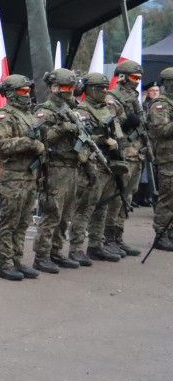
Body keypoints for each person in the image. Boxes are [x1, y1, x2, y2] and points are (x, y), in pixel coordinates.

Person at [0, 74, 43, 281]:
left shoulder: (29, 115)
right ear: (10, 93)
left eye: (28, 91)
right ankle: (4, 263)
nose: (27, 95)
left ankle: (18, 260)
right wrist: (30, 143)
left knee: (24, 222)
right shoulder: (2, 116)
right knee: (9, 222)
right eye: (22, 91)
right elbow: (2, 146)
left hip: (30, 175)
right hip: (13, 177)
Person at [68, 73, 127, 265]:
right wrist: (102, 139)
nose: (105, 91)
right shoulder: (83, 111)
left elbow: (117, 134)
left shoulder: (106, 109)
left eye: (105, 87)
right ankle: (76, 248)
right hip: (92, 165)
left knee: (103, 206)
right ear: (90, 89)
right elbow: (80, 137)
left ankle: (96, 244)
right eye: (101, 88)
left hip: (109, 164)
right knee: (85, 208)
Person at [29, 69, 85, 273]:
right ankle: (41, 256)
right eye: (65, 88)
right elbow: (40, 137)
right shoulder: (45, 111)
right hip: (55, 168)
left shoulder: (71, 109)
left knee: (66, 215)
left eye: (71, 88)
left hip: (72, 166)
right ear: (53, 88)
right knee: (52, 214)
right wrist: (62, 129)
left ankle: (56, 251)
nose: (69, 92)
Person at [102, 60, 145, 256]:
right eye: (134, 78)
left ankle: (118, 237)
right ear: (123, 77)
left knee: (126, 198)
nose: (136, 82)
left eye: (139, 78)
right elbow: (108, 124)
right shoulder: (113, 97)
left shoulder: (134, 98)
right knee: (115, 198)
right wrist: (127, 119)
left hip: (136, 154)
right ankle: (107, 238)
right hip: (123, 154)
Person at [146, 68, 173, 252]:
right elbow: (161, 131)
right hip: (167, 158)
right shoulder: (160, 105)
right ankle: (161, 233)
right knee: (167, 197)